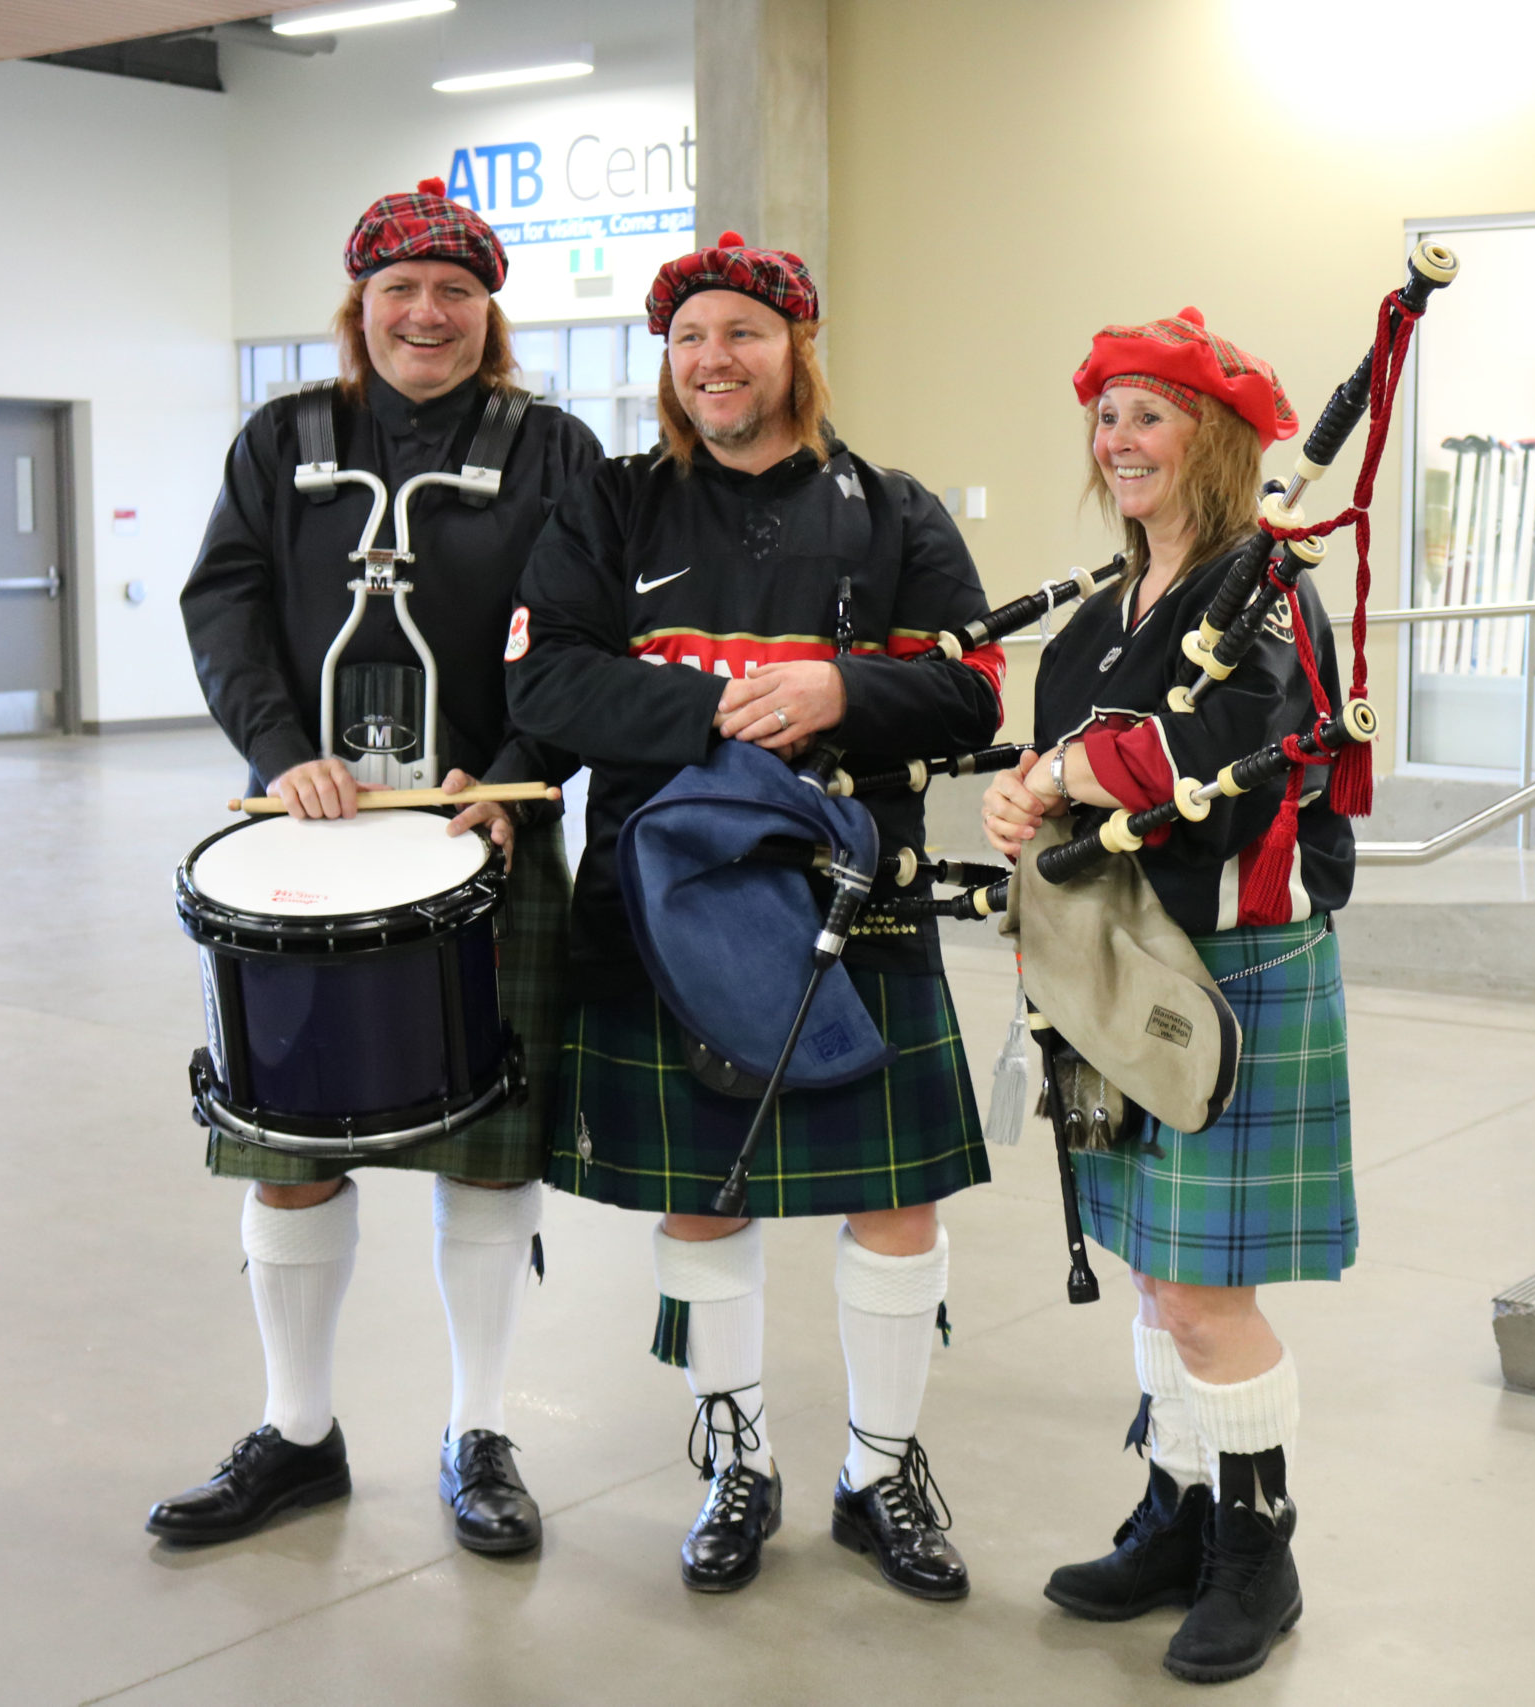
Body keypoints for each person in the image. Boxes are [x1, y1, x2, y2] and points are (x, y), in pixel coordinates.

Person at [504, 232, 1005, 1600]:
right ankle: (737, 1465)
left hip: (860, 908)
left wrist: (847, 693)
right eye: (689, 340)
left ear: (796, 348)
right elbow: (546, 693)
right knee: (704, 1209)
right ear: (667, 364)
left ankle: (878, 1470)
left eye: (743, 333)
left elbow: (973, 693)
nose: (714, 360)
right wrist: (718, 708)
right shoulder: (609, 507)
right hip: (664, 908)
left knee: (896, 1205)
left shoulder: (894, 511)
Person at [152, 178, 602, 1555]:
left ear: (489, 312)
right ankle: (298, 1434)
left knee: (488, 1148)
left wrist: (519, 766)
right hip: (307, 830)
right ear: (361, 310)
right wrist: (282, 747)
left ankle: (479, 1430)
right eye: (400, 291)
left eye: (456, 292)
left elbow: (586, 628)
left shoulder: (553, 449)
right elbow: (222, 598)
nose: (427, 314)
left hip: (485, 826)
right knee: (284, 1144)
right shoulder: (283, 437)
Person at [980, 307, 1358, 1684]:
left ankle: (1260, 1555)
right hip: (1096, 964)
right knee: (1151, 1277)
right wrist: (1020, 796)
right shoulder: (1097, 618)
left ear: (1218, 441)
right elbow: (1061, 756)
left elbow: (1247, 740)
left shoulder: (1264, 590)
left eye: (1152, 412)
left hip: (1227, 963)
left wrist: (1079, 775)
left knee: (1205, 1294)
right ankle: (1180, 1510)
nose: (1119, 437)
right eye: (1106, 414)